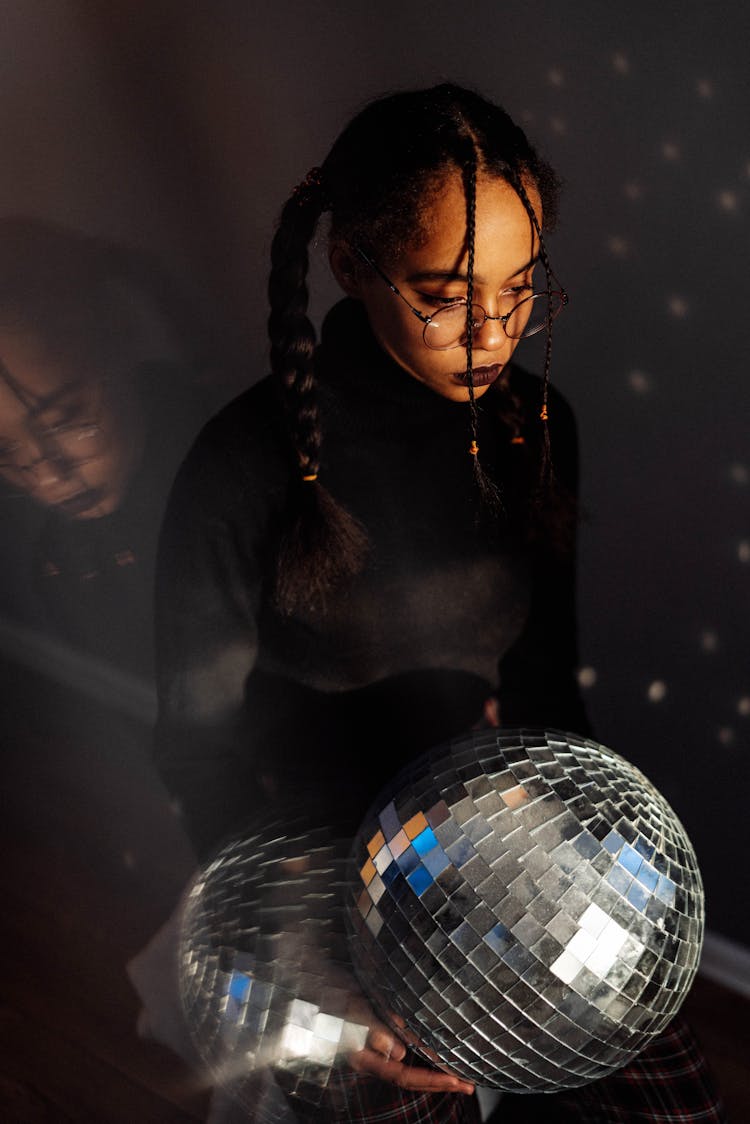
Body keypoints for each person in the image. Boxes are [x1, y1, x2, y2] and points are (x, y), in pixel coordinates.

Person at [154, 84, 726, 1123]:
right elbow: (197, 746)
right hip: (315, 865)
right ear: (349, 265)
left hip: (488, 834)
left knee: (675, 1103)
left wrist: (583, 865)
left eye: (523, 288)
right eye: (448, 293)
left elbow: (549, 679)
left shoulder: (540, 424)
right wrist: (307, 953)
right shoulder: (241, 469)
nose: (496, 331)